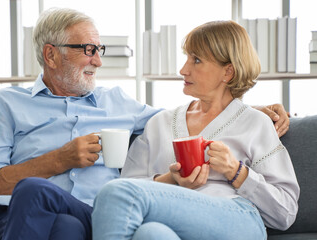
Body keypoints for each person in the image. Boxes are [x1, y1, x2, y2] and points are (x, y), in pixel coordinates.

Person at [0, 8, 288, 240]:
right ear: (51, 56)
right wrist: (59, 159)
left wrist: (245, 109)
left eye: (100, 50)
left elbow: (188, 117)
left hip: (96, 217)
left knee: (69, 226)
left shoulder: (119, 102)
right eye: (88, 50)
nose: (98, 60)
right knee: (34, 192)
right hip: (23, 215)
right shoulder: (6, 103)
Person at [91, 20, 300, 240]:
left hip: (237, 219)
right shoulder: (159, 123)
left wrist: (236, 171)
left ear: (227, 72)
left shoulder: (257, 123)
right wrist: (170, 179)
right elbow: (131, 184)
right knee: (151, 234)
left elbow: (285, 213)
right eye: (187, 58)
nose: (183, 70)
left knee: (114, 192)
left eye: (196, 60)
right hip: (169, 221)